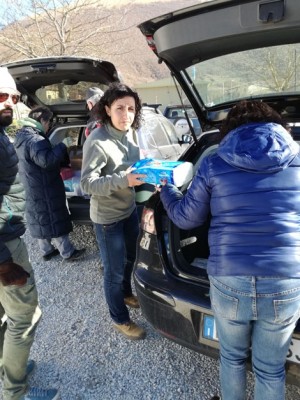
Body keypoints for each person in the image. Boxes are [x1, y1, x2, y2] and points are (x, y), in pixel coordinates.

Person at [159, 100, 300, 400]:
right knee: (270, 369)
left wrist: (167, 191)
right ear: (278, 125)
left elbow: (186, 217)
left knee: (232, 358)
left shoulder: (214, 163)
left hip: (229, 277)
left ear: (230, 130)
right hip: (285, 279)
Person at [0, 67, 58, 400]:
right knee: (25, 317)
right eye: (1, 96)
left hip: (6, 239)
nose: (9, 102)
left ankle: (9, 368)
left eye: (14, 96)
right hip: (4, 246)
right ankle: (15, 392)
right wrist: (5, 263)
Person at [81, 82, 146, 340]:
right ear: (107, 109)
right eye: (119, 108)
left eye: (131, 108)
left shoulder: (131, 134)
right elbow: (86, 184)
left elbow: (135, 169)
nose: (126, 114)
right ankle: (119, 318)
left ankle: (126, 293)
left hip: (129, 210)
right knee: (113, 270)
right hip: (108, 219)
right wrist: (123, 180)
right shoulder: (97, 141)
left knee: (131, 258)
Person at [14, 106, 86, 262]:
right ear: (42, 120)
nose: (49, 126)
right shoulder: (36, 140)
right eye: (49, 122)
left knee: (39, 217)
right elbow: (46, 161)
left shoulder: (21, 137)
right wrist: (61, 146)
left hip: (31, 185)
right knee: (54, 217)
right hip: (45, 186)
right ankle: (68, 253)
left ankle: (46, 251)